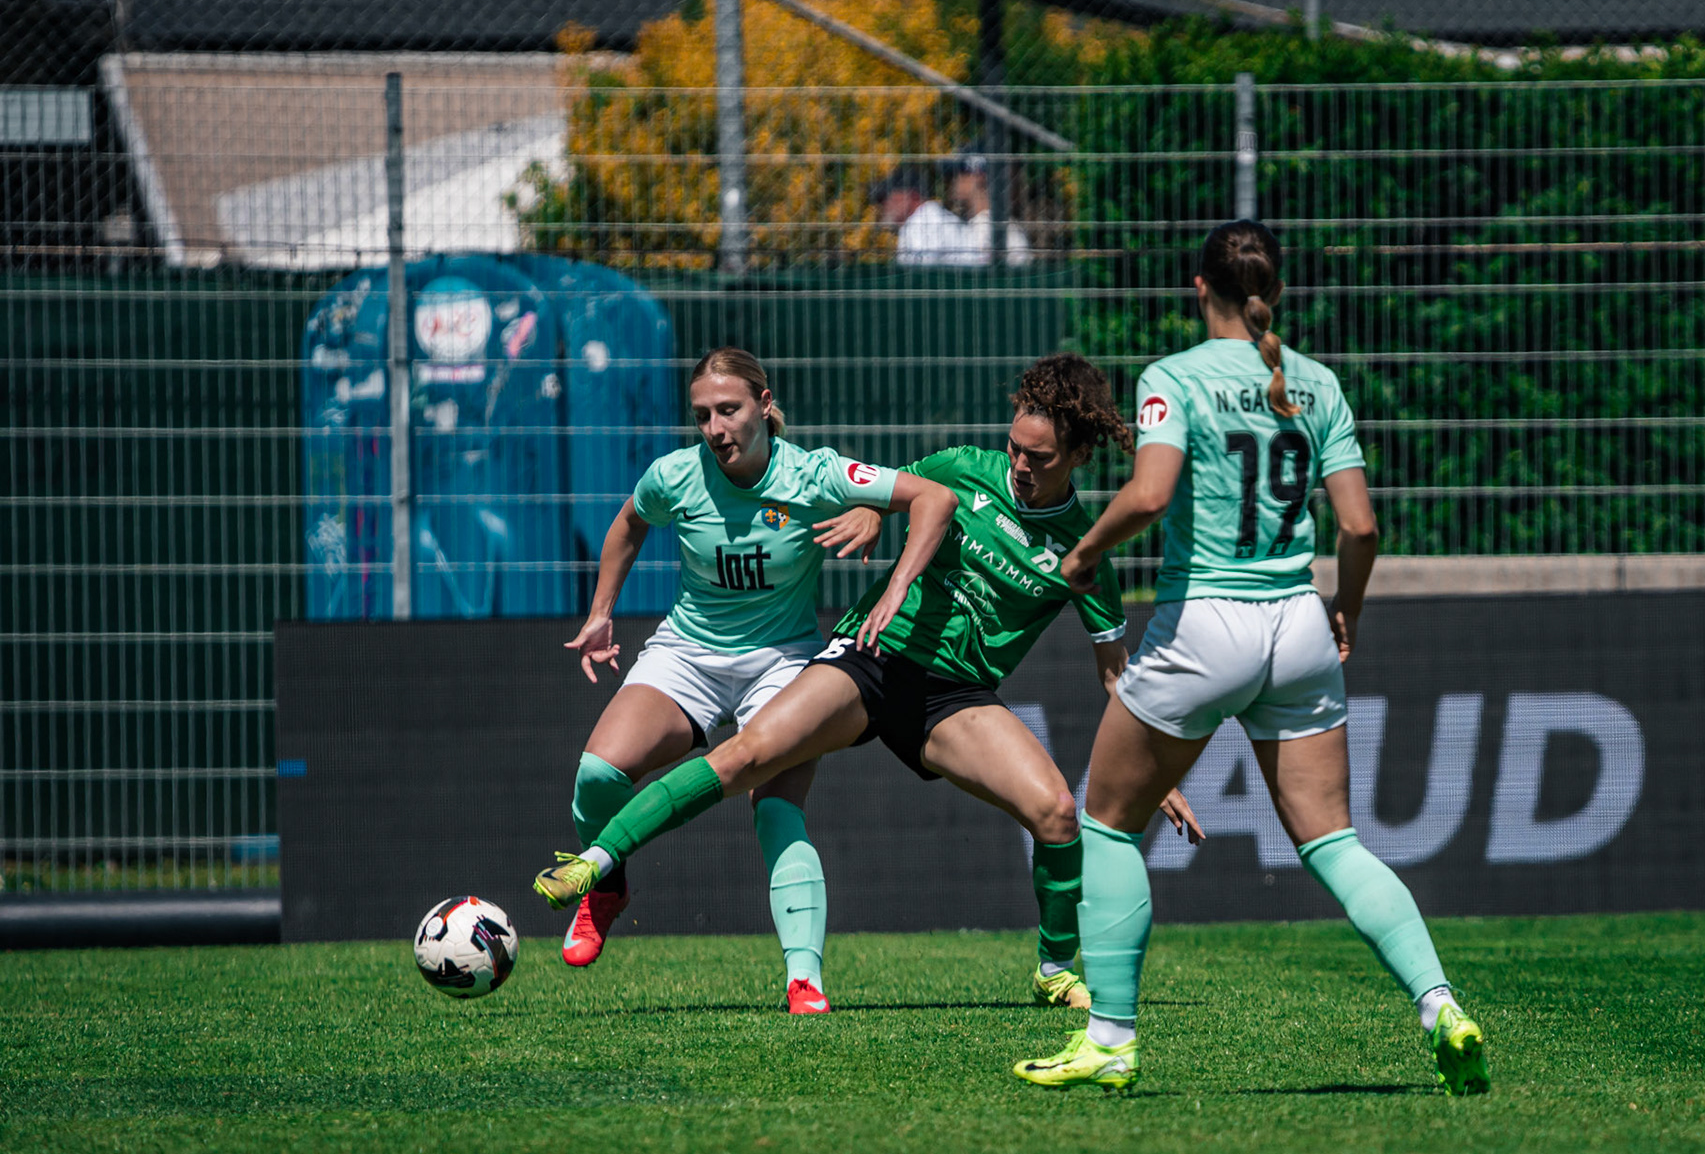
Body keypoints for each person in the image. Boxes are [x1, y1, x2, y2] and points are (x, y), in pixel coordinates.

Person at [535, 353, 1199, 1009]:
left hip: (953, 697)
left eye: (1041, 458)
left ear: (1080, 455)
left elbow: (1116, 677)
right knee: (742, 756)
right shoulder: (966, 468)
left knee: (1056, 814)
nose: (1021, 467)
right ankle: (599, 865)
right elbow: (892, 491)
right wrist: (874, 517)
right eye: (1015, 448)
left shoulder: (1087, 547)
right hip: (870, 657)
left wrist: (1156, 768)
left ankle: (1053, 970)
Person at [1012, 220, 1491, 1095]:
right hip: (1299, 626)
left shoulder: (1175, 377)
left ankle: (1111, 1039)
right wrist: (1345, 607)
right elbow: (1360, 527)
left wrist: (1081, 556)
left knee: (1111, 819)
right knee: (1336, 839)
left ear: (1199, 289)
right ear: (1273, 287)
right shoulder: (1314, 382)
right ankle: (1440, 1006)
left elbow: (1151, 494)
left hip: (1209, 626)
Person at [554, 345, 957, 1015]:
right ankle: (609, 885)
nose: (715, 428)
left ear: (765, 408)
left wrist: (885, 548)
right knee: (597, 776)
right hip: (689, 653)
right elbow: (629, 523)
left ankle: (805, 980)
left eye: (730, 410)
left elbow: (935, 497)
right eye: (703, 414)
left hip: (784, 663)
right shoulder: (674, 476)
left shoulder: (813, 473)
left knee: (775, 810)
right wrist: (601, 613)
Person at [945, 148, 1033, 267]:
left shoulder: (989, 228)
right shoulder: (987, 223)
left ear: (978, 177)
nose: (954, 180)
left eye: (960, 172)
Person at [870, 166, 971, 267]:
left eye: (887, 196)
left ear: (912, 195)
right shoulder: (929, 217)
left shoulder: (923, 223)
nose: (883, 204)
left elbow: (923, 277)